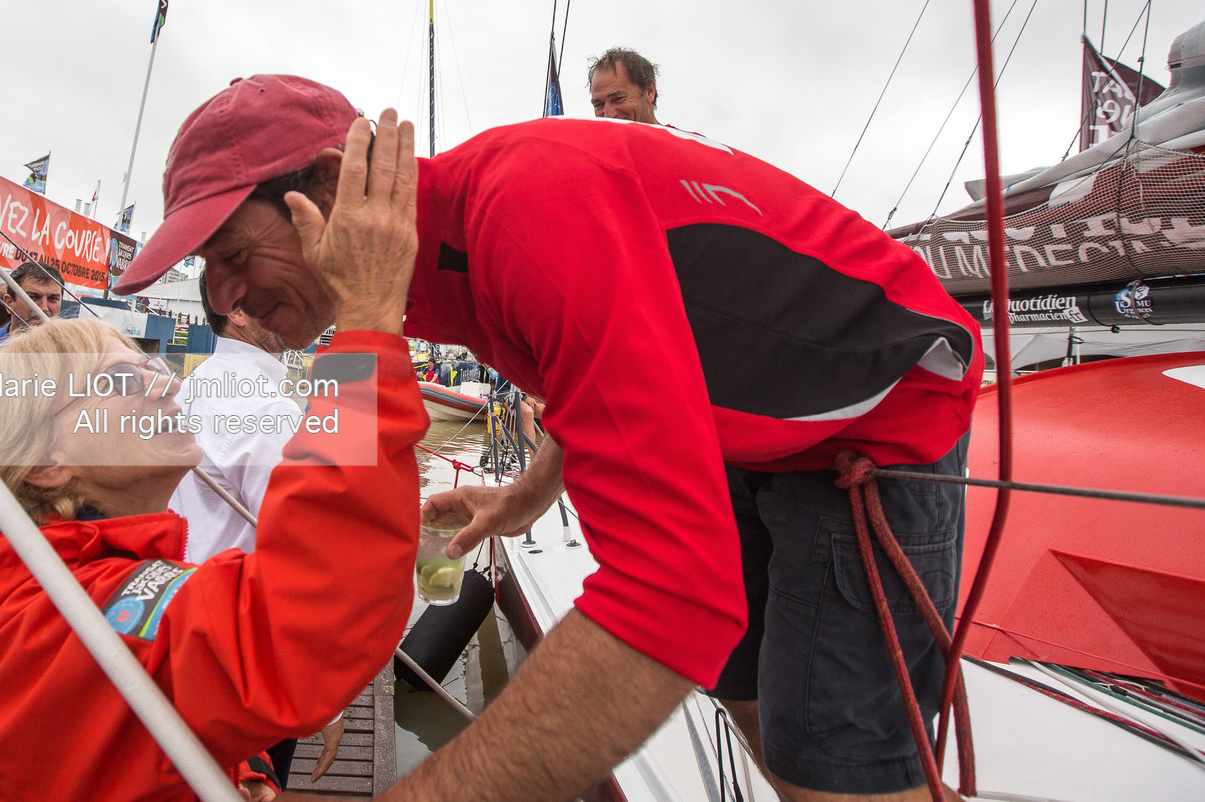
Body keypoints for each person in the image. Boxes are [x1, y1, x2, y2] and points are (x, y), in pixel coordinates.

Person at [114, 75, 983, 802]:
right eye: (207, 272)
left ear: (339, 187)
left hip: (876, 422)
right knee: (756, 699)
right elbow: (613, 366)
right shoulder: (425, 275)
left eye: (233, 254)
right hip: (744, 428)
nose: (225, 299)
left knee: (833, 762)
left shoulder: (525, 213)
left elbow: (671, 596)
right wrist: (526, 494)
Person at [0, 108, 423, 802]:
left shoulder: (53, 598)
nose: (163, 382)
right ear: (46, 465)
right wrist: (368, 324)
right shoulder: (58, 624)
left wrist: (238, 766)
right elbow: (308, 626)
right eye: (119, 381)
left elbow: (133, 713)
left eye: (149, 365)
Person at [169, 274, 346, 787]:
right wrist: (327, 702)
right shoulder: (269, 412)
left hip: (185, 635)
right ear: (239, 310)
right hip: (247, 658)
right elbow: (303, 559)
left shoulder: (192, 388)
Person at [0, 260, 64, 343]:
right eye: (32, 297)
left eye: (52, 299)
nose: (44, 308)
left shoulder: (71, 349)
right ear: (9, 302)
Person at [587, 47, 660, 124]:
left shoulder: (673, 135)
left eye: (618, 99)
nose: (608, 115)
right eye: (599, 105)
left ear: (649, 91)